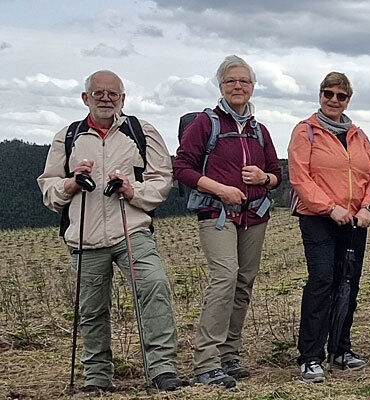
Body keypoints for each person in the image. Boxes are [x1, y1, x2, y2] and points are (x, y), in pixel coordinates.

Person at [37, 70, 183, 392]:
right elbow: (48, 188)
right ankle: (97, 377)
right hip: (85, 236)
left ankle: (162, 369)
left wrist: (132, 190)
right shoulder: (68, 136)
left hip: (132, 230)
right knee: (91, 310)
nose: (106, 98)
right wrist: (71, 183)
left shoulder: (142, 132)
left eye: (113, 94)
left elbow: (162, 180)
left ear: (123, 99)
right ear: (85, 98)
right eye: (98, 93)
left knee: (154, 285)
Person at [173, 55, 281, 388]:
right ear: (220, 86)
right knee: (225, 277)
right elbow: (182, 168)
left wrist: (264, 178)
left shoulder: (259, 130)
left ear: (252, 87)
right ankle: (206, 362)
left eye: (244, 81)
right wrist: (220, 189)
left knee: (243, 282)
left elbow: (276, 175)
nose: (238, 86)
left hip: (254, 214)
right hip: (216, 213)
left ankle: (229, 356)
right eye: (231, 80)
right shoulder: (205, 124)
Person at [289, 72, 370, 383]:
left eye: (341, 96)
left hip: (355, 220)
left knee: (348, 283)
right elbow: (300, 178)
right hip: (318, 219)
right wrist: (330, 208)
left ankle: (340, 348)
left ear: (348, 100)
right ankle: (310, 356)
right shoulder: (305, 132)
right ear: (320, 95)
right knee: (322, 282)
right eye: (328, 93)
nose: (334, 100)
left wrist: (368, 207)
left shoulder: (359, 135)